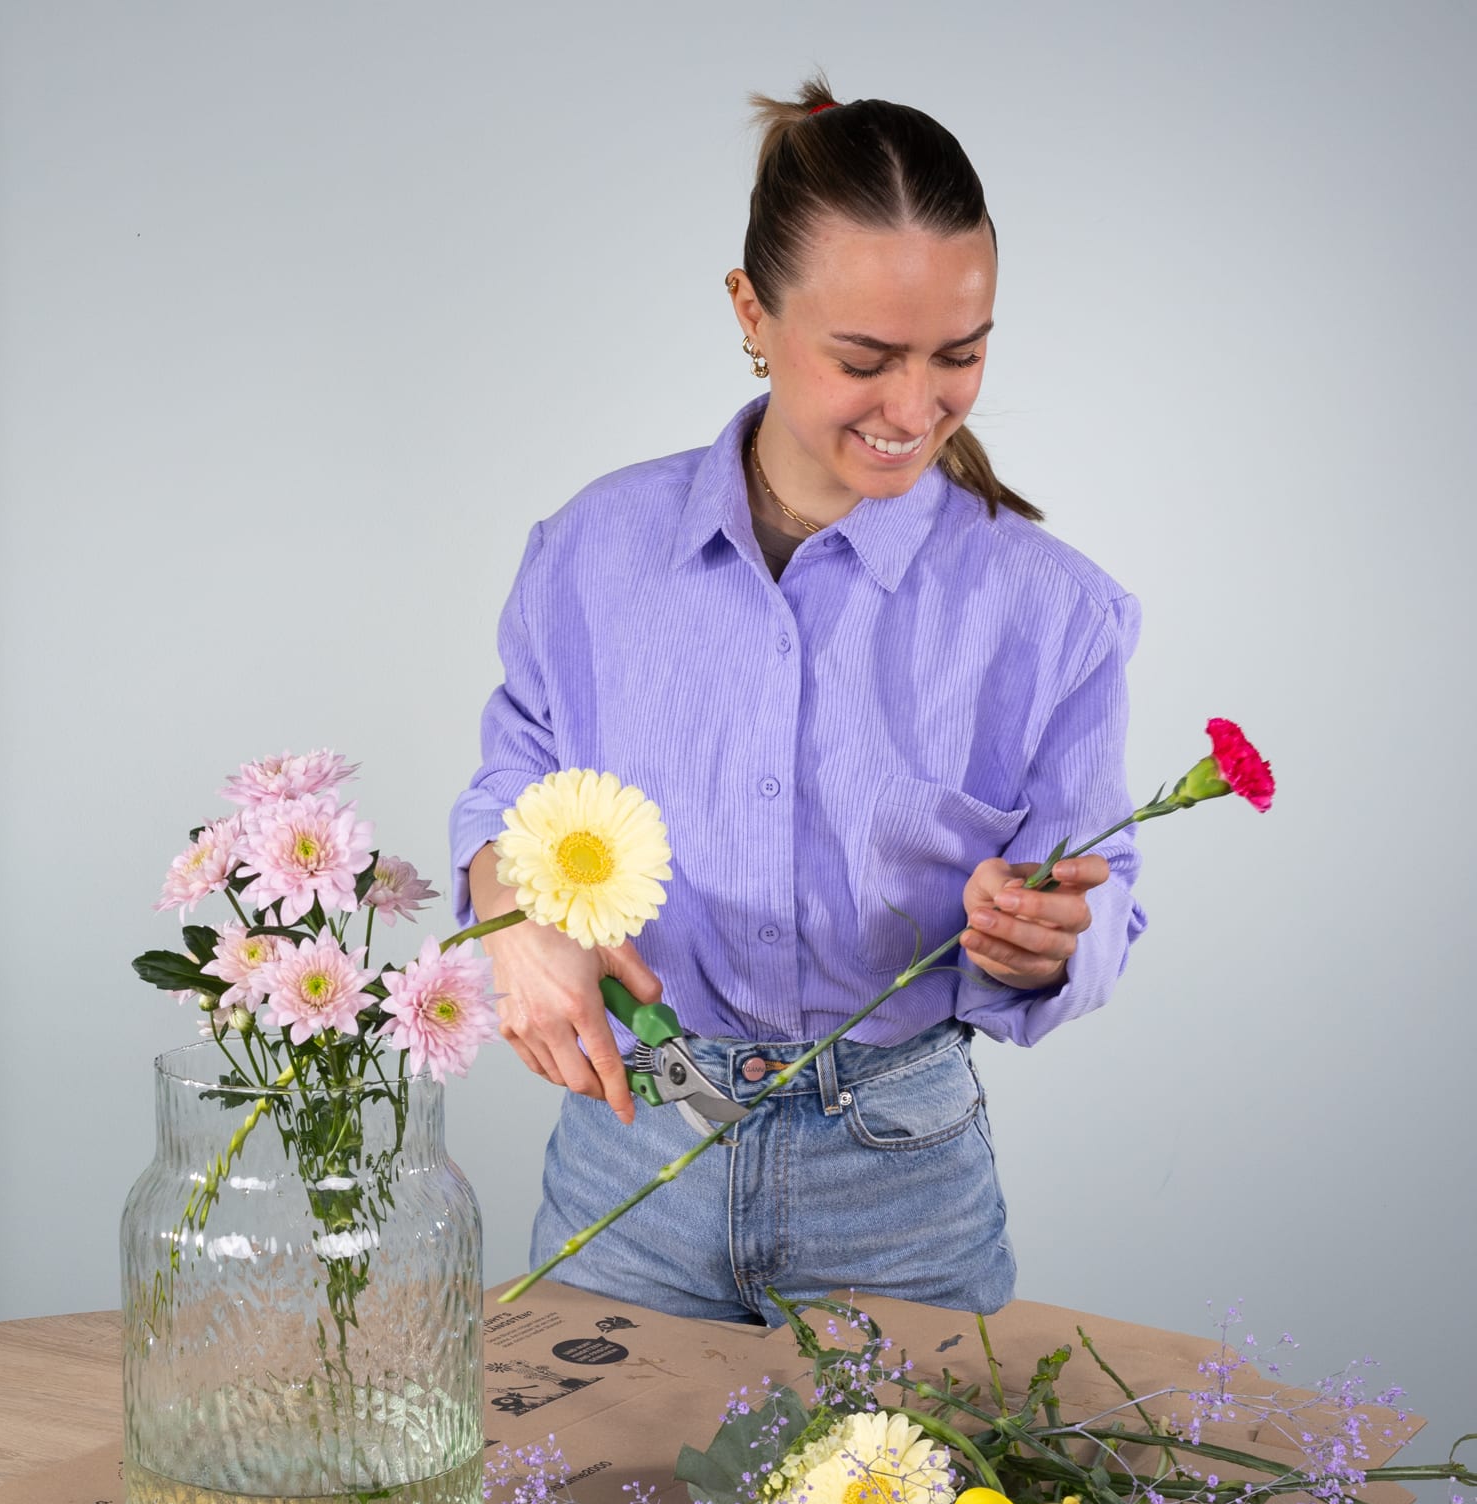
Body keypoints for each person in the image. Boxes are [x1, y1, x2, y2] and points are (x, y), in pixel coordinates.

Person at [447, 77, 1147, 1326]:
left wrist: (1045, 945)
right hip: (632, 1160)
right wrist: (513, 921)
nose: (915, 408)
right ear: (751, 312)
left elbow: (1102, 901)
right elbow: (513, 798)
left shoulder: (1057, 614)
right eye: (866, 359)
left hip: (902, 1195)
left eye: (961, 356)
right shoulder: (593, 552)